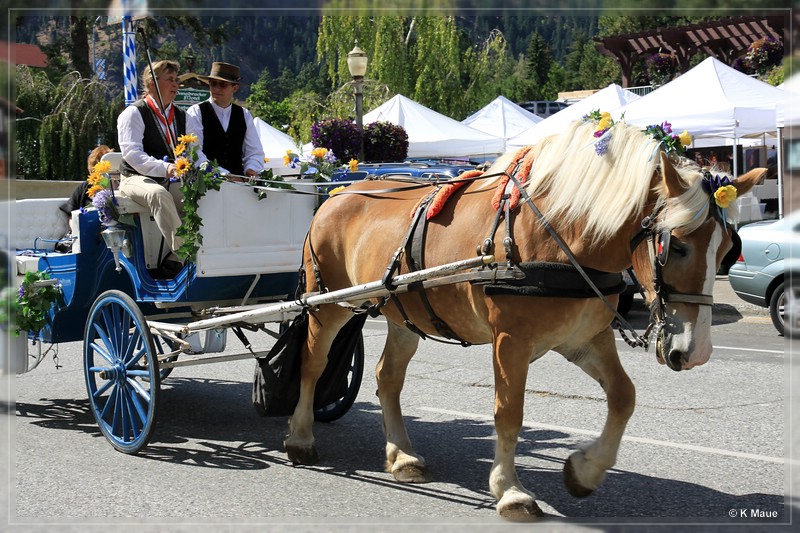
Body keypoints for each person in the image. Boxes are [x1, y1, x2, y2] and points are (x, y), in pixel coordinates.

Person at [117, 59, 185, 278]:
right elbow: (133, 155)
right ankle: (186, 254)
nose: (175, 84)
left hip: (169, 177)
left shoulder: (181, 116)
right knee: (158, 195)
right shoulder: (134, 113)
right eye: (170, 80)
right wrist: (166, 168)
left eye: (177, 80)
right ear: (152, 83)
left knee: (201, 197)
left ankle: (174, 259)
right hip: (134, 177)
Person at [186, 62, 264, 178]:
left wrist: (251, 169)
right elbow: (195, 153)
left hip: (240, 184)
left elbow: (254, 152)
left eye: (222, 85)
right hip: (207, 183)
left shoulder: (244, 115)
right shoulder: (196, 112)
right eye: (213, 84)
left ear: (235, 88)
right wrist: (224, 174)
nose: (217, 88)